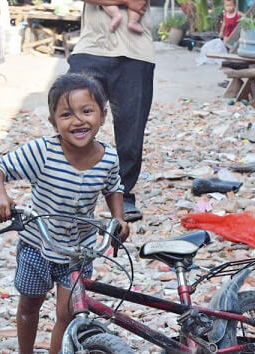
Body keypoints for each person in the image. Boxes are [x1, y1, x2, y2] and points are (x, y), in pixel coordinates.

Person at [0, 73, 130, 354]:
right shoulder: (43, 153)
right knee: (30, 304)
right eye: (66, 114)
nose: (78, 121)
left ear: (103, 115)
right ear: (53, 121)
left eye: (87, 111)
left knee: (66, 313)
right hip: (39, 244)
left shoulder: (108, 158)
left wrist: (118, 218)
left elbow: (113, 187)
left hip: (79, 250)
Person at [68, 0, 154, 223]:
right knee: (72, 117)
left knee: (131, 129)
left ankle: (123, 194)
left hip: (136, 51)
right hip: (91, 47)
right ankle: (67, 189)